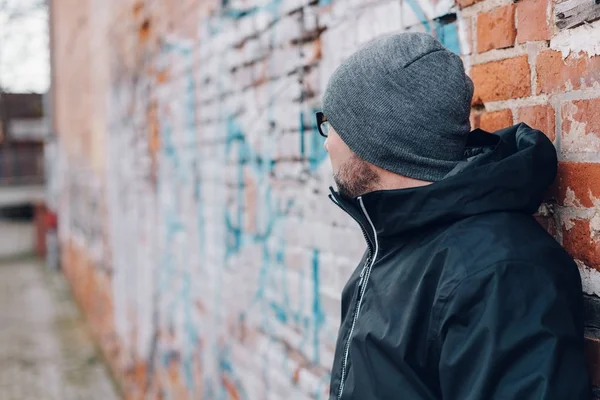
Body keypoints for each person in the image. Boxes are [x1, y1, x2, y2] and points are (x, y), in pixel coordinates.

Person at [317, 32, 591, 400]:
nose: (325, 142)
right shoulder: (393, 241)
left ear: (378, 140)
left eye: (331, 124)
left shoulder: (500, 273)